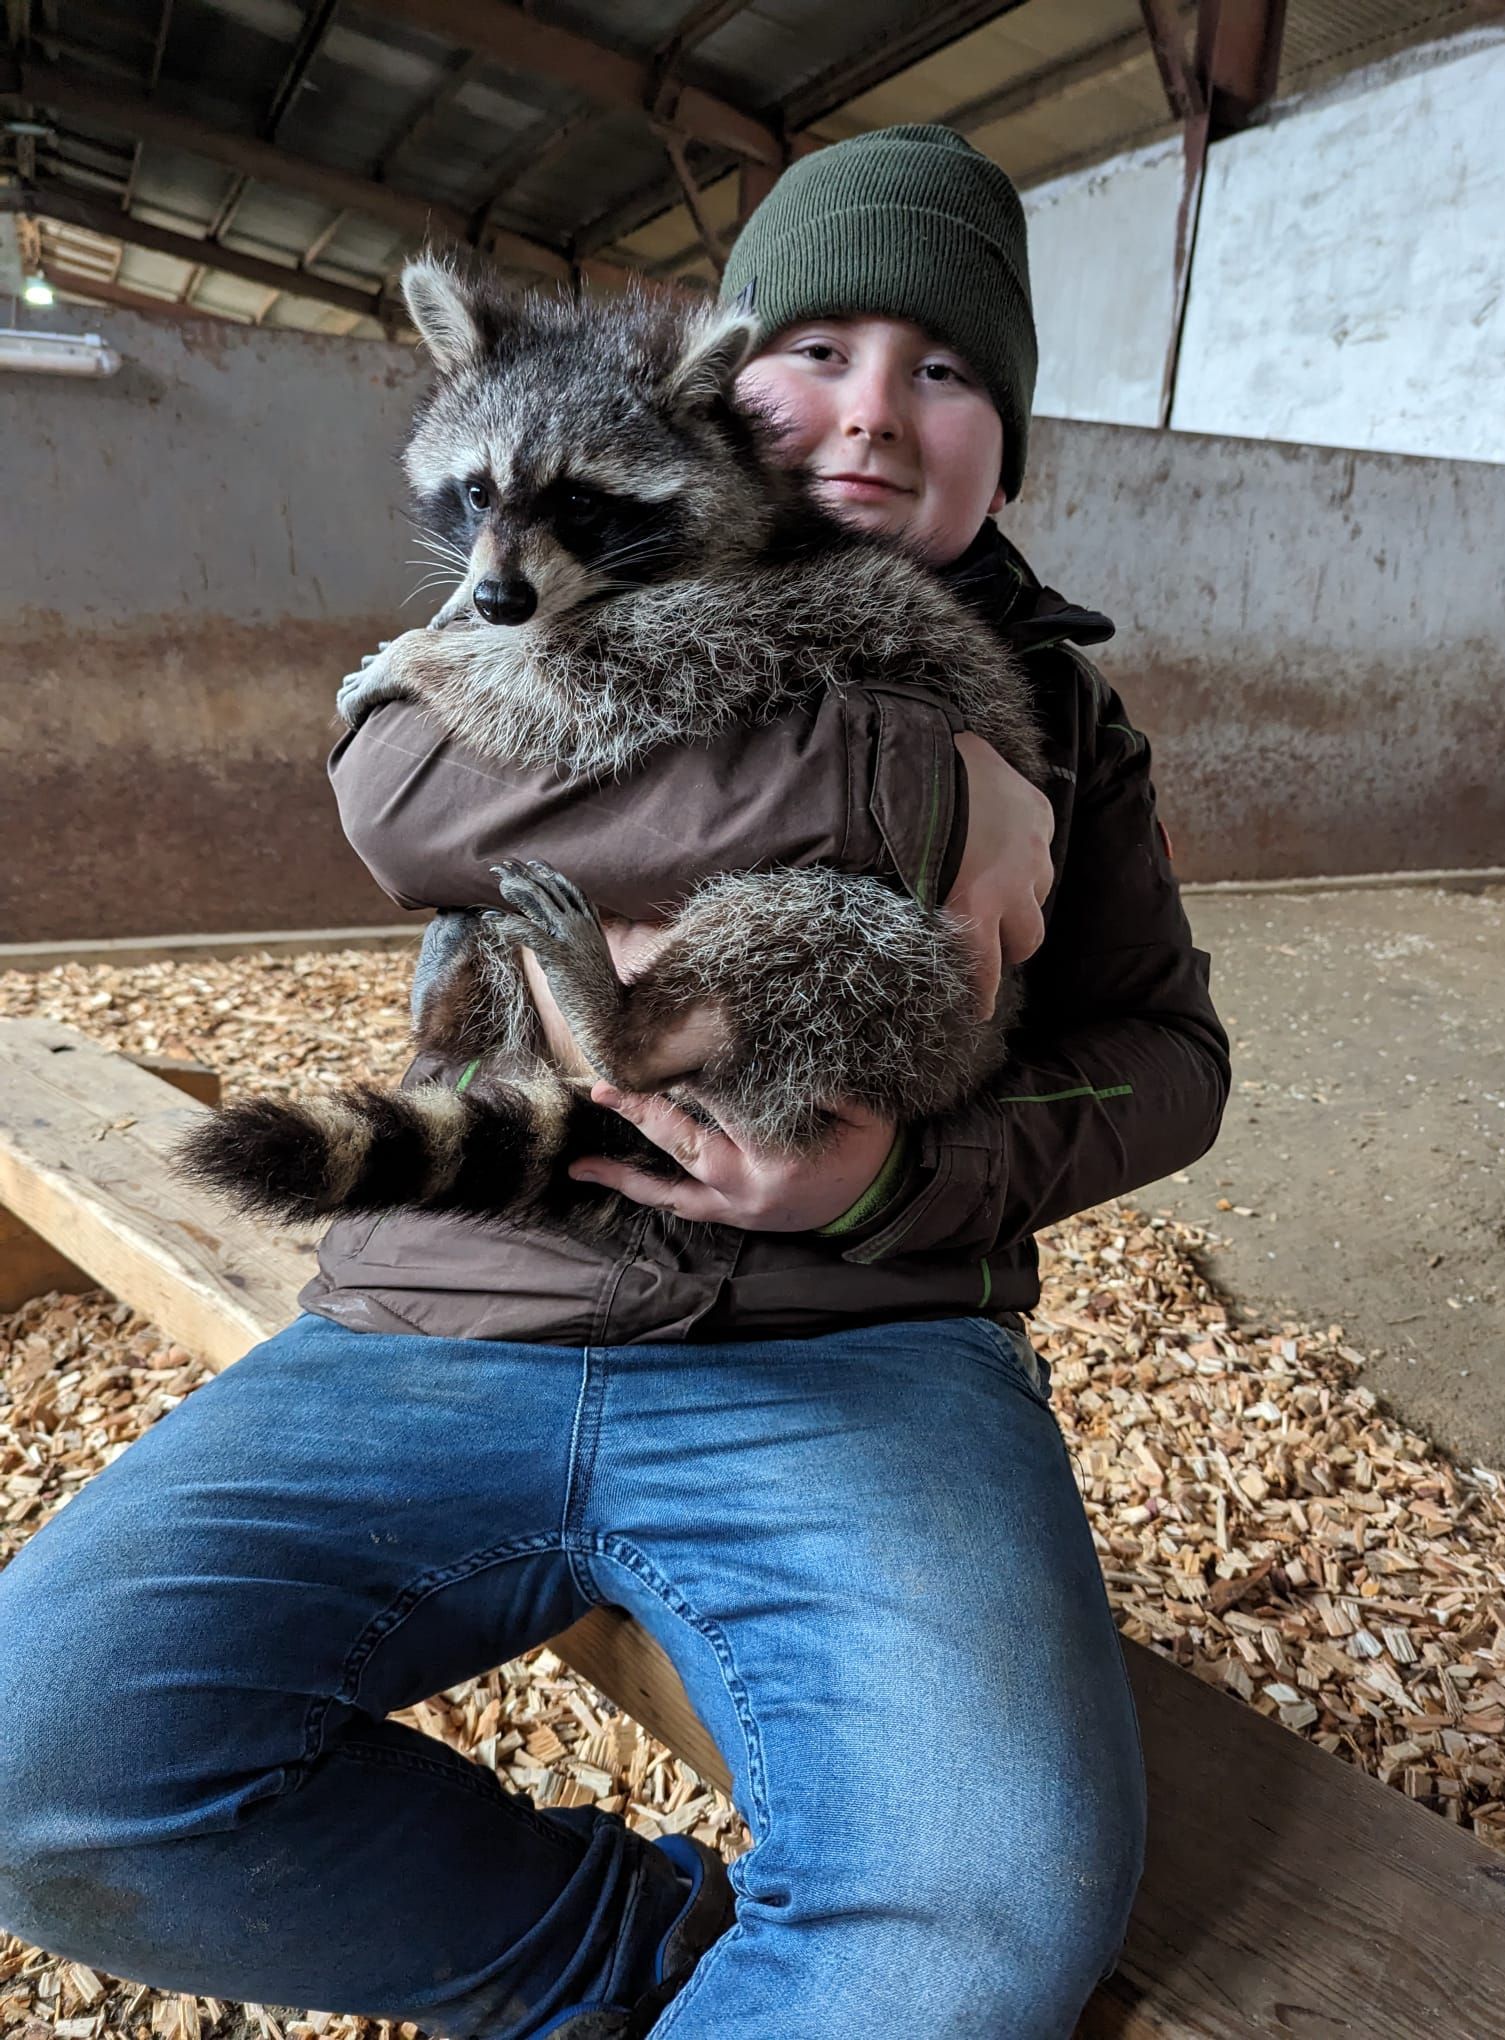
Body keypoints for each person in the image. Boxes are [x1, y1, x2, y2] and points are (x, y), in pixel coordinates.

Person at [0, 127, 1228, 2038]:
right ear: (723, 384)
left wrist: (889, 1188)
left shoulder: (1073, 720)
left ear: (1014, 431)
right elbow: (402, 793)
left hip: (862, 1346)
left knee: (988, 1911)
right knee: (38, 1764)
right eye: (816, 348)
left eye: (952, 370)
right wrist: (922, 791)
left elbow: (1172, 1061)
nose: (876, 414)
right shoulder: (565, 580)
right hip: (462, 1312)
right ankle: (635, 1968)